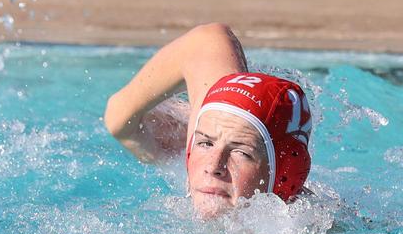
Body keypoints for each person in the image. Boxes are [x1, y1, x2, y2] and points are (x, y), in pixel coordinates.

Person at [104, 23, 313, 218]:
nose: (213, 167)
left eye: (241, 152)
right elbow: (207, 40)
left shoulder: (304, 230)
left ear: (285, 175)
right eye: (205, 143)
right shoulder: (211, 121)